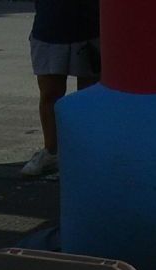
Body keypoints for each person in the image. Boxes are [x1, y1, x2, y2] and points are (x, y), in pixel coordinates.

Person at [20, 0, 99, 178]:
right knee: (50, 94)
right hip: (49, 28)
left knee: (89, 98)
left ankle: (87, 153)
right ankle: (51, 152)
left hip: (90, 28)